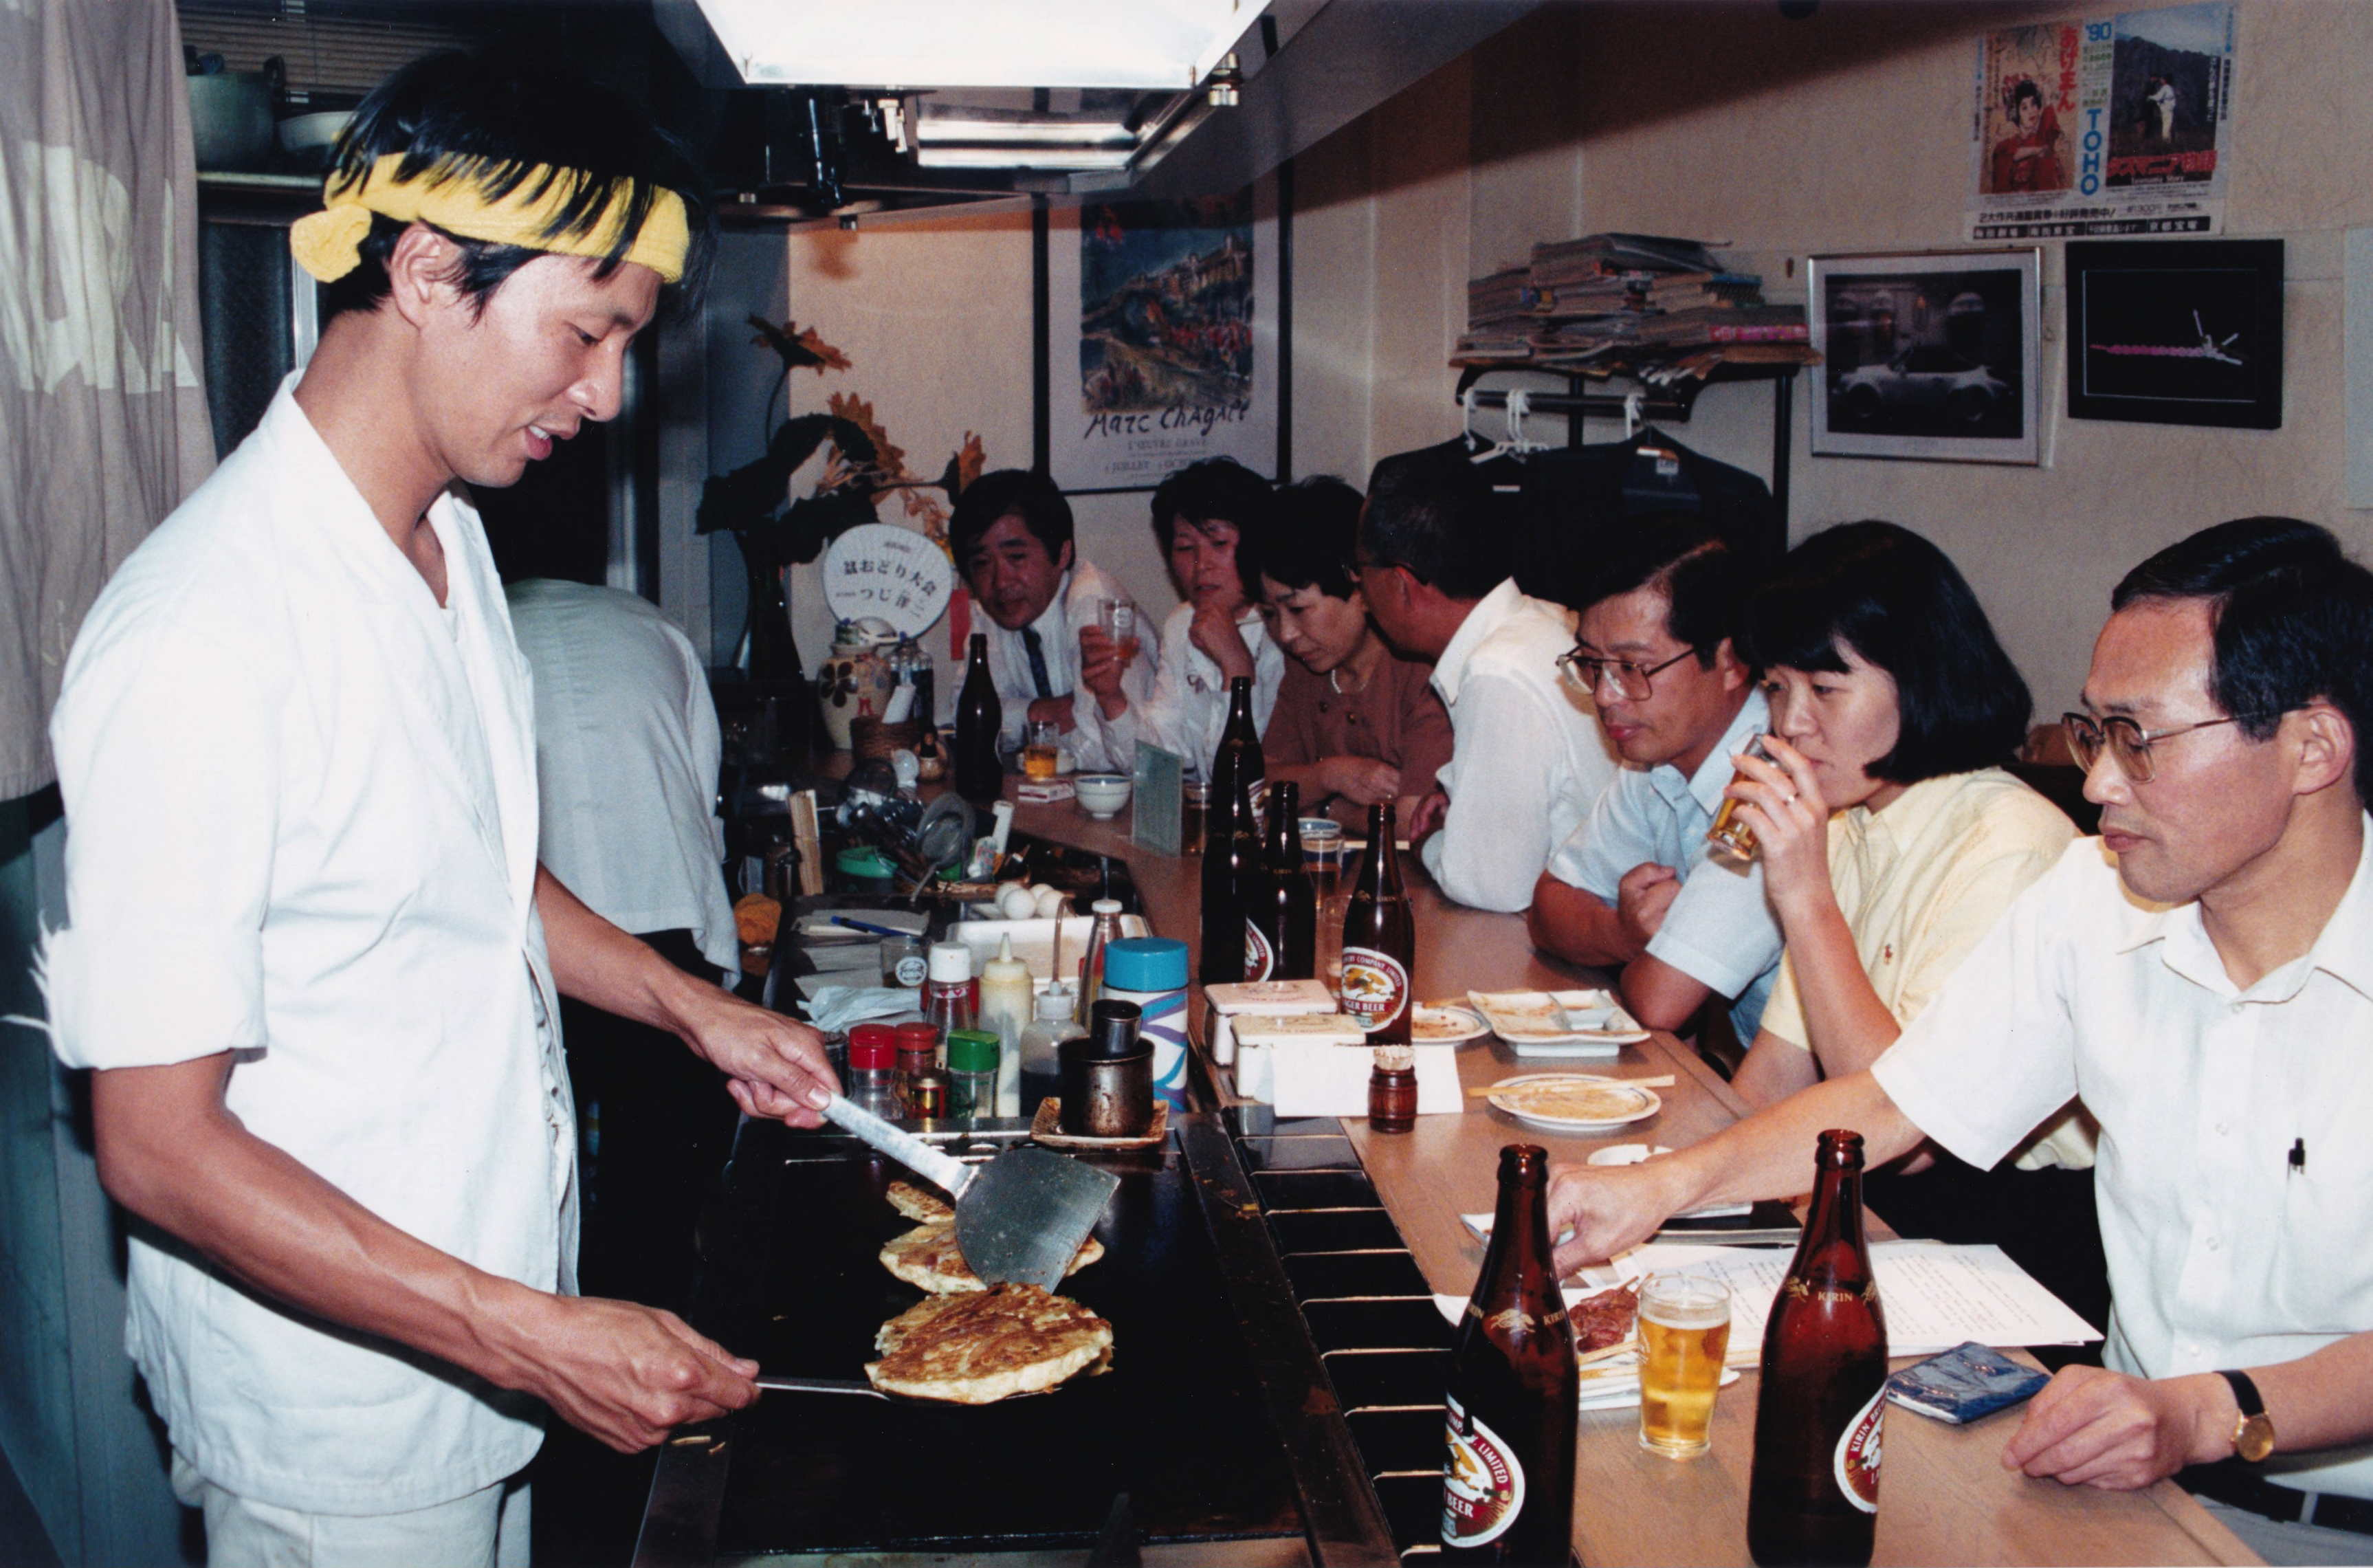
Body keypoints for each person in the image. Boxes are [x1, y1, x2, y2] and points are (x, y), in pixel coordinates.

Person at [38, 52, 837, 1565]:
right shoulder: (203, 633)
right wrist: (530, 1333)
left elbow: (466, 866)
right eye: (585, 333)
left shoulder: (445, 541)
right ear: (422, 271)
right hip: (338, 1427)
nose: (605, 395)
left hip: (476, 1356)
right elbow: (155, 1145)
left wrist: (689, 1006)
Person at [1547, 518, 2373, 1563]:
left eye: (2139, 739)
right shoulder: (2094, 900)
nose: (2099, 785)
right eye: (2095, 734)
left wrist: (2212, 1410)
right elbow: (1895, 1099)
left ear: (2312, 748)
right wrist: (1654, 1190)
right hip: (2116, 1472)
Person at [1715, 522, 2099, 1329]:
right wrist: (1673, 1186)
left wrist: (1804, 898)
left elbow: (1909, 1135)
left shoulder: (2009, 841)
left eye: (1824, 690)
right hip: (1883, 1206)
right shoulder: (1850, 819)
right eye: (1776, 688)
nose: (1790, 724)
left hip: (2009, 1235)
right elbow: (1772, 1079)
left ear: (1919, 679)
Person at [505, 577, 742, 1309]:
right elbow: (701, 785)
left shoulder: (483, 621)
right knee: (657, 1179)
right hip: (659, 906)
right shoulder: (651, 624)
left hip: (538, 932)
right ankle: (650, 1336)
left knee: (544, 1176)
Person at [1527, 516, 1782, 1043]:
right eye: (1592, 664)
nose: (1605, 695)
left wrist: (1629, 948)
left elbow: (1660, 1000)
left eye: (1633, 667)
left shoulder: (1774, 774)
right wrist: (1622, 931)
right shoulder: (1655, 756)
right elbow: (1549, 905)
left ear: (1730, 661)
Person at [1355, 445, 1616, 912]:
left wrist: (1428, 839)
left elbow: (1490, 887)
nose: (1360, 590)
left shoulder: (1497, 672)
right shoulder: (1536, 620)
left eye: (1361, 570)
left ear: (1400, 584)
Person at [1255, 476, 1453, 832]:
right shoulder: (1305, 666)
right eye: (1270, 614)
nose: (1285, 634)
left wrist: (1324, 810)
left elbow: (1414, 821)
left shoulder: (1419, 668)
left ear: (1361, 591)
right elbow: (1259, 786)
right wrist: (1329, 775)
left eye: (1298, 610)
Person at [1081, 456, 1285, 777]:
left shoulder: (1286, 625)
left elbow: (1243, 776)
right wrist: (1111, 697)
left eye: (1219, 543)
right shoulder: (1183, 622)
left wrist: (1236, 665)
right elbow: (1158, 763)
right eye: (1186, 548)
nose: (1201, 564)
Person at [950, 468, 1152, 773]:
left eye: (1017, 557)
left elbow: (1106, 754)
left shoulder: (1096, 605)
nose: (1001, 581)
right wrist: (1044, 713)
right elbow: (965, 717)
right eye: (981, 563)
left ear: (1062, 553)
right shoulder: (989, 610)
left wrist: (1021, 725)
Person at [1991, 78, 2067, 194]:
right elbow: (2000, 187)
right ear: (2016, 113)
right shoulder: (2005, 147)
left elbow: (2049, 132)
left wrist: (2048, 101)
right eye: (2024, 108)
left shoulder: (2043, 139)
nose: (2031, 111)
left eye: (2033, 104)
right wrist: (2036, 150)